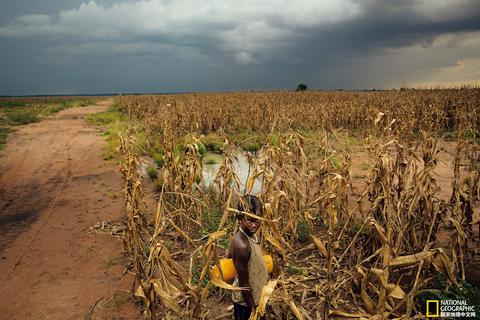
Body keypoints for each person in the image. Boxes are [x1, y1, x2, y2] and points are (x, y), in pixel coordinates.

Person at [231, 195, 268, 320]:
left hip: (256, 295)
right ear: (240, 218)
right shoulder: (242, 245)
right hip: (245, 301)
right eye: (249, 220)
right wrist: (253, 308)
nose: (254, 225)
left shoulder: (252, 235)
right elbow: (244, 284)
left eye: (257, 221)